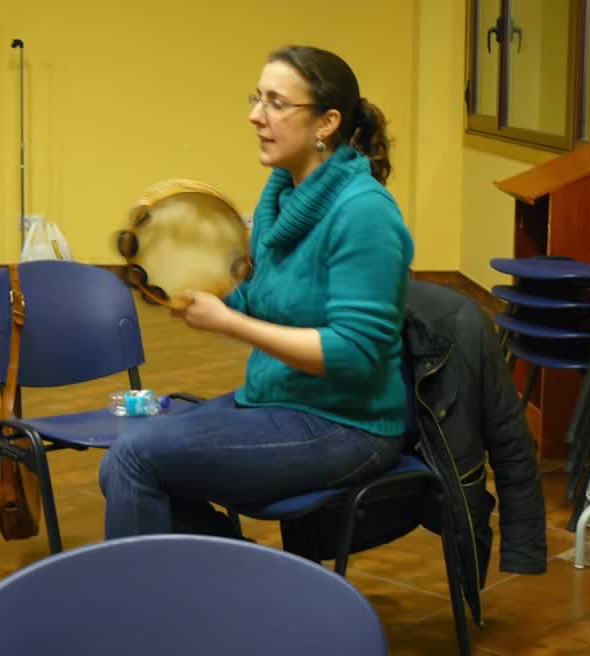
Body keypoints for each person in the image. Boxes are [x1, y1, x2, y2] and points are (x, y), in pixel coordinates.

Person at [99, 45, 414, 538]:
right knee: (123, 463)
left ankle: (208, 581)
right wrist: (187, 289)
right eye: (257, 98)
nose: (255, 115)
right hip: (277, 399)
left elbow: (355, 354)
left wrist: (229, 323)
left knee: (134, 460)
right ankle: (236, 576)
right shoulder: (282, 199)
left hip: (347, 426)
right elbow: (262, 298)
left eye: (276, 103)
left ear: (326, 123)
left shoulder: (364, 213)